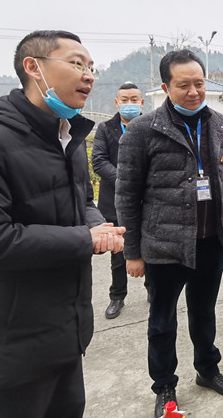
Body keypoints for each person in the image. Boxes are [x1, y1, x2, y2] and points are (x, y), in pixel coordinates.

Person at [0, 30, 125, 418]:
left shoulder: (68, 137)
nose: (89, 75)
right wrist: (84, 239)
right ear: (33, 67)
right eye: (76, 63)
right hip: (13, 344)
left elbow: (83, 202)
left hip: (66, 332)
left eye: (92, 67)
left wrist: (100, 228)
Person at [116, 49, 223, 418]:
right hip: (164, 245)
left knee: (204, 312)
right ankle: (165, 386)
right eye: (183, 85)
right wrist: (132, 252)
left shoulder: (220, 124)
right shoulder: (142, 130)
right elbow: (127, 194)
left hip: (211, 241)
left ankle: (207, 369)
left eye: (199, 83)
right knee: (161, 321)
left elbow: (222, 174)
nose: (193, 91)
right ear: (165, 87)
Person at [92, 81, 144, 319]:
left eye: (134, 100)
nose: (129, 104)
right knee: (118, 254)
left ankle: (153, 290)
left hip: (146, 200)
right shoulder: (105, 128)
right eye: (125, 100)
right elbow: (99, 161)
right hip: (114, 202)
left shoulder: (151, 125)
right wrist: (125, 180)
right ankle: (117, 296)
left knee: (150, 249)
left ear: (141, 102)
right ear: (116, 102)